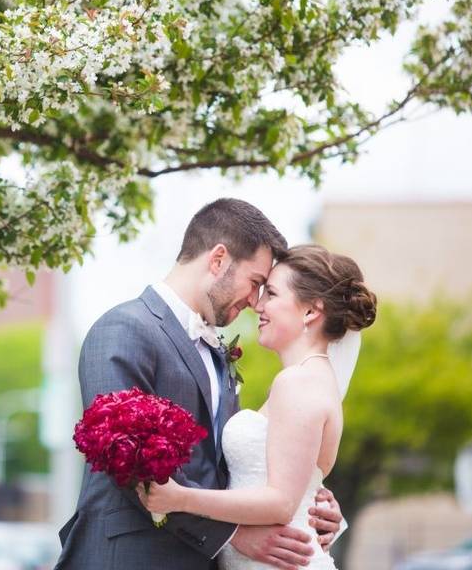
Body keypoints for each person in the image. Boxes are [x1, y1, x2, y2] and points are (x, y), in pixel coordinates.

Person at [54, 199, 346, 570]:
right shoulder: (124, 329)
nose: (256, 302)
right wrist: (231, 534)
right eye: (256, 283)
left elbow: (232, 467)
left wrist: (309, 502)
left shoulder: (218, 350)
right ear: (218, 259)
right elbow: (125, 464)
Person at [137, 244, 377, 569]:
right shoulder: (311, 380)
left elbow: (280, 503)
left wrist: (180, 498)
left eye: (272, 294)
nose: (258, 305)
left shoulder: (298, 383)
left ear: (310, 312)